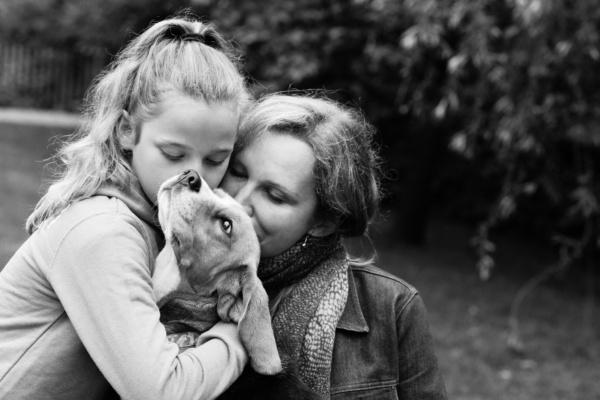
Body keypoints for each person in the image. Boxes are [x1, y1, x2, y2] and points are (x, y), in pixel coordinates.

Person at [0, 16, 253, 400]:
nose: (196, 179)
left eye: (217, 159)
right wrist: (239, 334)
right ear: (126, 131)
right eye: (173, 153)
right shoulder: (105, 230)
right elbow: (163, 391)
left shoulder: (150, 220)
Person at [218, 93, 448, 399]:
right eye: (238, 172)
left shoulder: (391, 307)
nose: (239, 202)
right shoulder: (174, 274)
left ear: (324, 220)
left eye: (274, 195)